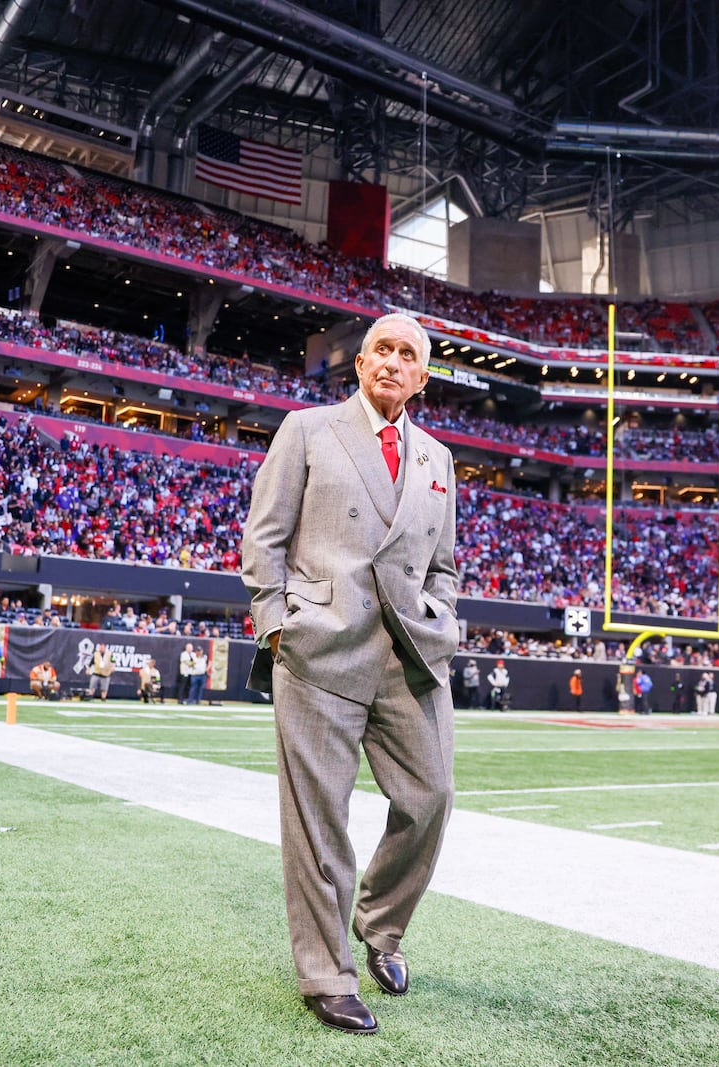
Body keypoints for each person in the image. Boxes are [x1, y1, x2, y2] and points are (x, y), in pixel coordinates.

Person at [241, 311, 459, 1036]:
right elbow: (264, 535)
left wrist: (442, 617)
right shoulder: (307, 429)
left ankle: (381, 923)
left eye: (408, 355)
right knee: (318, 820)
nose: (393, 363)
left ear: (422, 378)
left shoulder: (437, 459)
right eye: (382, 351)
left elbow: (445, 565)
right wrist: (278, 624)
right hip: (321, 648)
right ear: (361, 363)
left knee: (431, 795)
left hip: (410, 655)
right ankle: (327, 973)